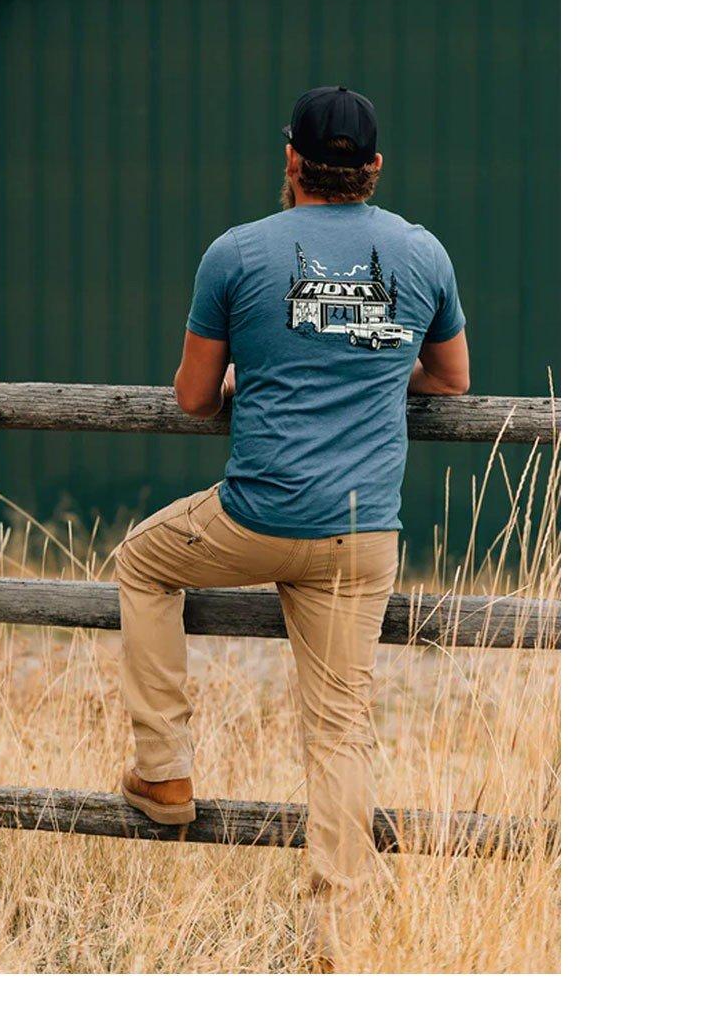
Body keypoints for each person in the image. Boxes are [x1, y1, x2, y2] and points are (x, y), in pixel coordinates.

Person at [114, 85, 470, 970]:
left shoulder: (237, 253)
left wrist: (262, 375)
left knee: (143, 563)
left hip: (257, 515)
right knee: (341, 730)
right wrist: (375, 373)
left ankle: (164, 769)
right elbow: (452, 379)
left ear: (291, 161)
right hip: (362, 532)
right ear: (374, 167)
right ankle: (336, 938)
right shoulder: (421, 253)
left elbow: (194, 397)